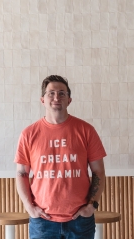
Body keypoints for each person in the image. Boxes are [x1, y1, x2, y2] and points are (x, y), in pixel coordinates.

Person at [14, 75, 107, 239]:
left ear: (69, 100)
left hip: (80, 220)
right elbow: (21, 173)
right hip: (43, 221)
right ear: (42, 99)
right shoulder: (28, 134)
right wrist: (29, 207)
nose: (56, 97)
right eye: (51, 93)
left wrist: (92, 206)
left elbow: (98, 171)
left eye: (62, 93)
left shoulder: (86, 131)